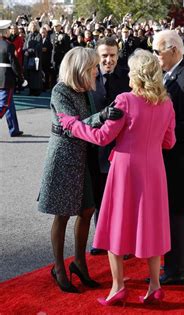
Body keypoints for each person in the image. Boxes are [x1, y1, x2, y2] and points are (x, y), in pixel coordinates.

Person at [58, 49, 175, 305]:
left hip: (125, 170)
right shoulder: (167, 103)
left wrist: (71, 124)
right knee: (151, 226)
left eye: (131, 72)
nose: (129, 76)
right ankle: (155, 285)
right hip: (154, 171)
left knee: (116, 227)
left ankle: (118, 287)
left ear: (138, 76)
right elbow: (169, 141)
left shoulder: (125, 100)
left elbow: (102, 137)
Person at [37, 47, 120, 293]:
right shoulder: (60, 91)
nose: (97, 71)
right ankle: (59, 268)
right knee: (62, 214)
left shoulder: (86, 91)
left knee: (87, 209)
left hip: (84, 158)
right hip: (63, 159)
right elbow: (72, 126)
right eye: (93, 67)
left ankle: (80, 263)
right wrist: (102, 117)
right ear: (80, 69)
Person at [153, 30, 184, 285]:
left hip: (179, 159)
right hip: (174, 158)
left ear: (173, 50)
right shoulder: (171, 75)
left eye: (158, 51)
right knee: (180, 213)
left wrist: (163, 135)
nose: (156, 56)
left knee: (175, 213)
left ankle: (175, 271)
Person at [88, 37, 131, 256]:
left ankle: (123, 242)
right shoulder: (89, 76)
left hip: (122, 147)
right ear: (97, 55)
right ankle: (101, 239)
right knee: (99, 196)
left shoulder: (127, 77)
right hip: (96, 147)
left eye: (112, 55)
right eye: (104, 55)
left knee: (121, 198)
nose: (108, 60)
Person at [0, 20, 24, 137]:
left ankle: (14, 129)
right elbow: (14, 64)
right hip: (6, 79)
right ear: (4, 31)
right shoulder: (9, 45)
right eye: (8, 29)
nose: (10, 31)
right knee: (4, 105)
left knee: (10, 105)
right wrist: (21, 77)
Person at [22, 21, 42, 96]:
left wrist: (29, 51)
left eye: (34, 26)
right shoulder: (28, 35)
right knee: (29, 74)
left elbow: (38, 47)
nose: (33, 27)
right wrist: (25, 51)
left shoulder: (38, 35)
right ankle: (30, 90)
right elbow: (24, 46)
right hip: (28, 58)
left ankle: (36, 90)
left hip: (35, 58)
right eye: (32, 25)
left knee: (35, 74)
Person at [50, 19, 70, 85]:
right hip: (53, 58)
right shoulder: (51, 35)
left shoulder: (65, 36)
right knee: (53, 73)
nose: (55, 28)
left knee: (61, 73)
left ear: (60, 26)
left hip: (61, 57)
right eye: (54, 26)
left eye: (57, 26)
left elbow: (67, 47)